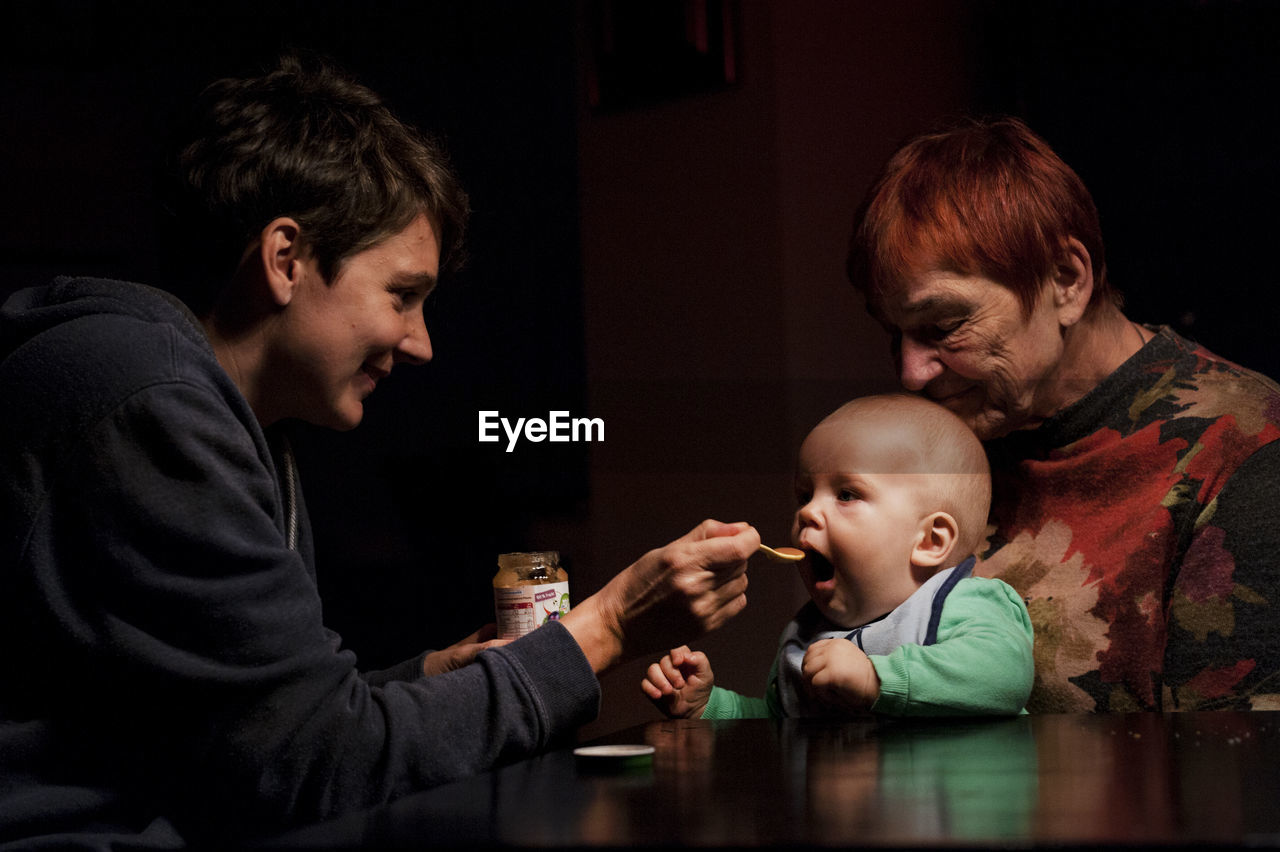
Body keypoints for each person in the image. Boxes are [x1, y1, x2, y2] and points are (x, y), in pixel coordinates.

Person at [0, 54, 759, 849]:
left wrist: (437, 679)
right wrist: (607, 625)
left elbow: (258, 730)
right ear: (286, 259)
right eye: (402, 295)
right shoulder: (145, 398)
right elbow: (316, 767)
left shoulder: (226, 412)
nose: (421, 342)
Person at [845, 116, 1280, 713]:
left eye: (943, 327)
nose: (910, 372)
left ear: (1066, 280)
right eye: (893, 335)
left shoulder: (1249, 458)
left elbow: (1238, 781)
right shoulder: (949, 436)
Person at [642, 394, 1033, 719]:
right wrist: (711, 707)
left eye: (846, 494)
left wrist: (877, 679)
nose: (807, 512)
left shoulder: (961, 604)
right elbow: (784, 726)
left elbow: (1004, 675)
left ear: (930, 540)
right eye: (804, 495)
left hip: (963, 809)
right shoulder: (806, 635)